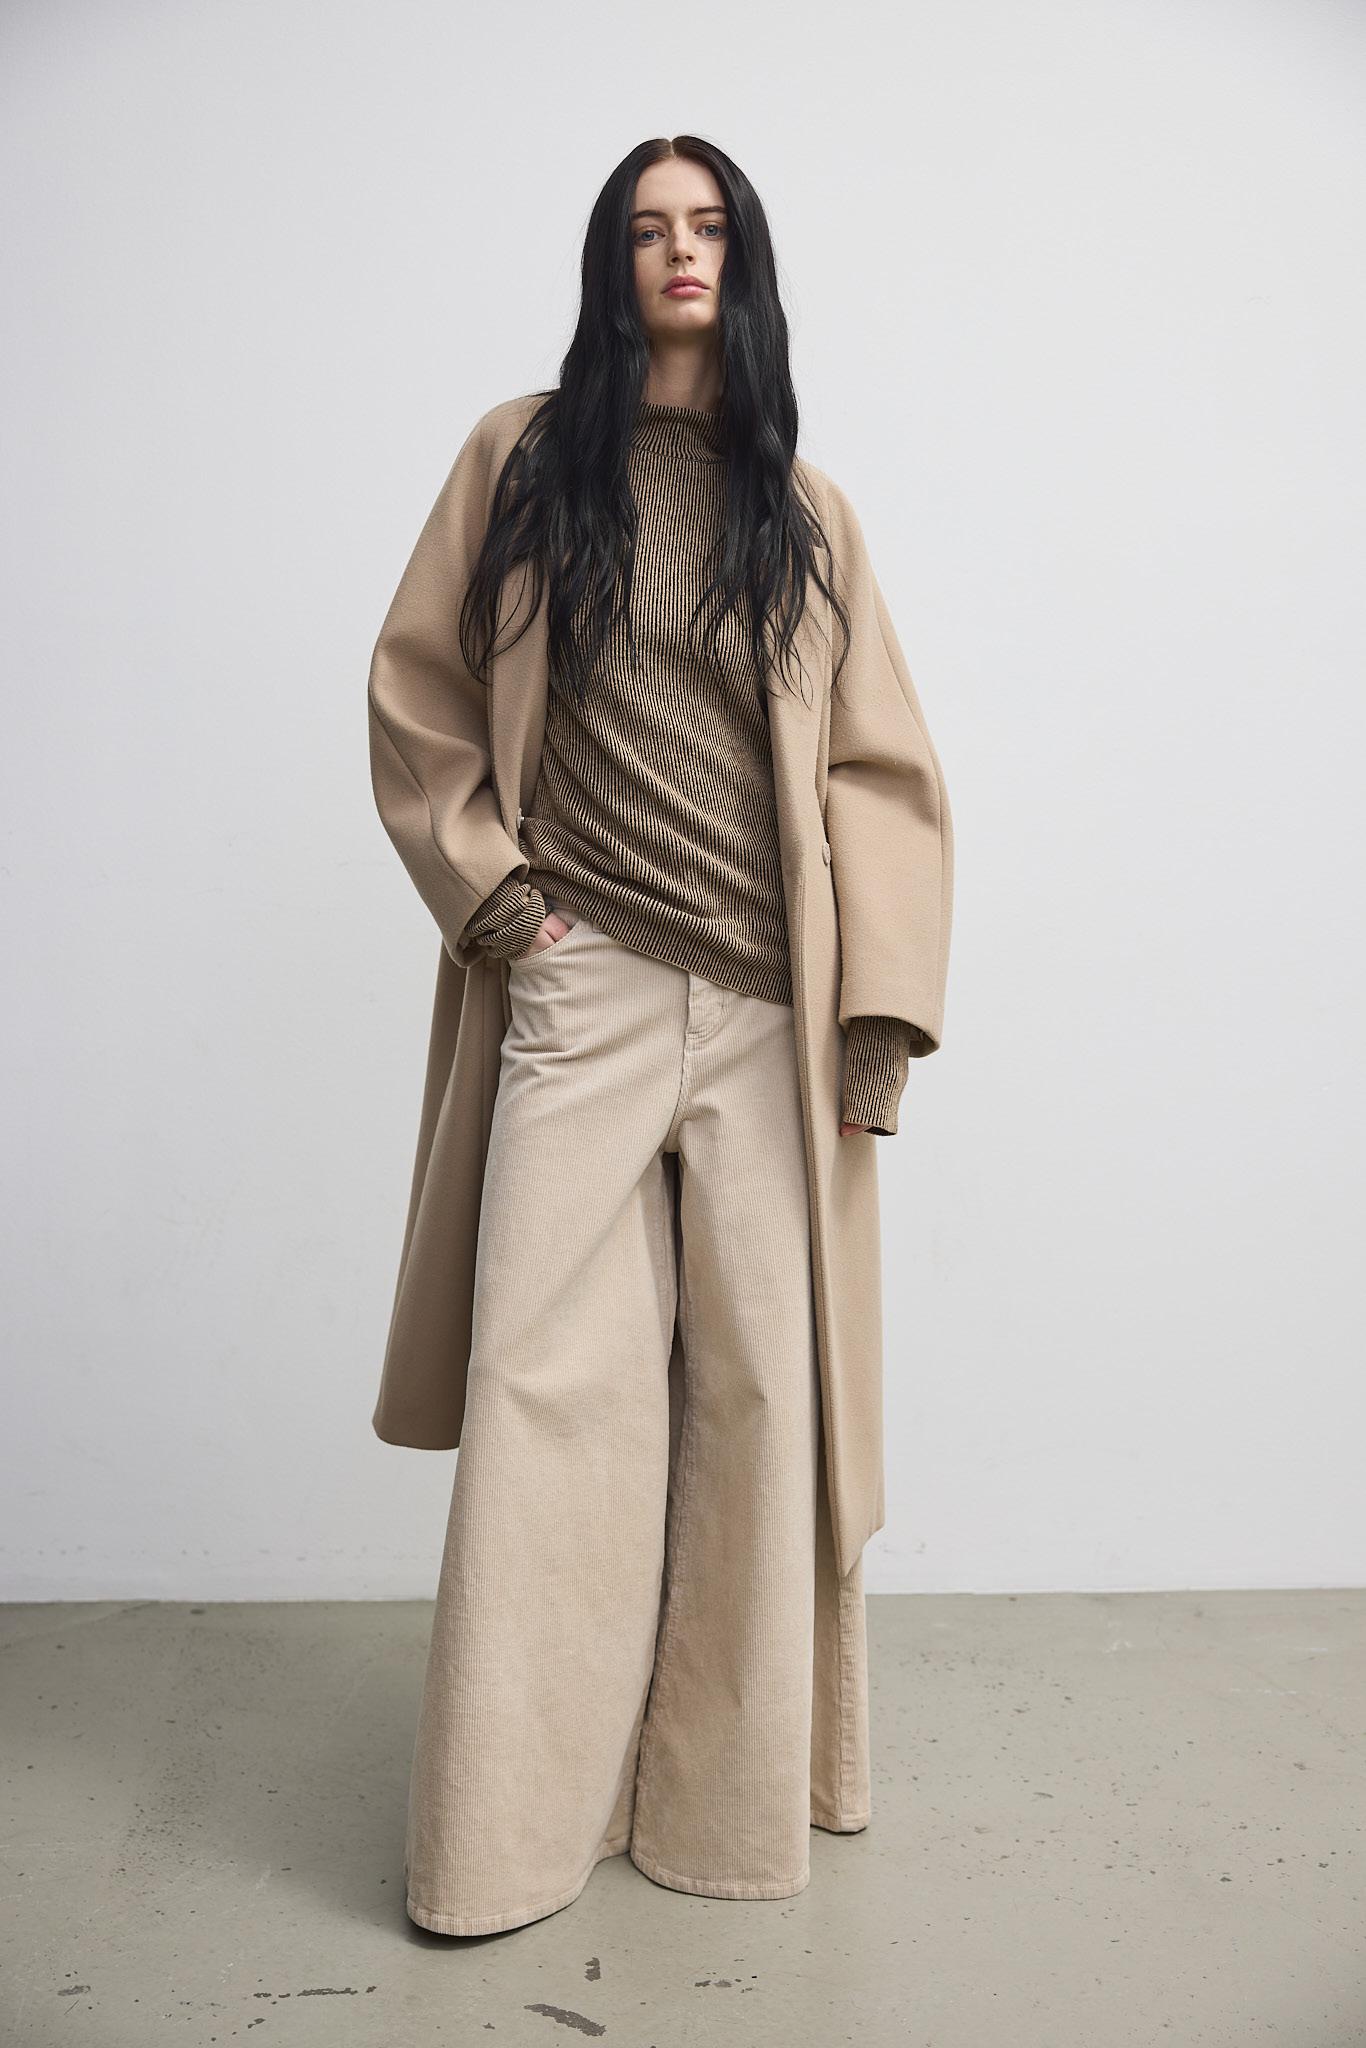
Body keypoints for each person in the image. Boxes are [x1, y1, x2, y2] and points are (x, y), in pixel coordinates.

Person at [367, 133, 954, 1937]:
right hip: (586, 979)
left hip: (774, 1009)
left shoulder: (805, 507)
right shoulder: (521, 457)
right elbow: (417, 686)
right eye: (645, 227)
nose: (676, 252)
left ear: (742, 261)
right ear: (609, 259)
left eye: (706, 228)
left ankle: (718, 1821)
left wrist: (873, 1024)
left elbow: (879, 773)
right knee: (544, 1390)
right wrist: (501, 909)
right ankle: (502, 1839)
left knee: (762, 1398)